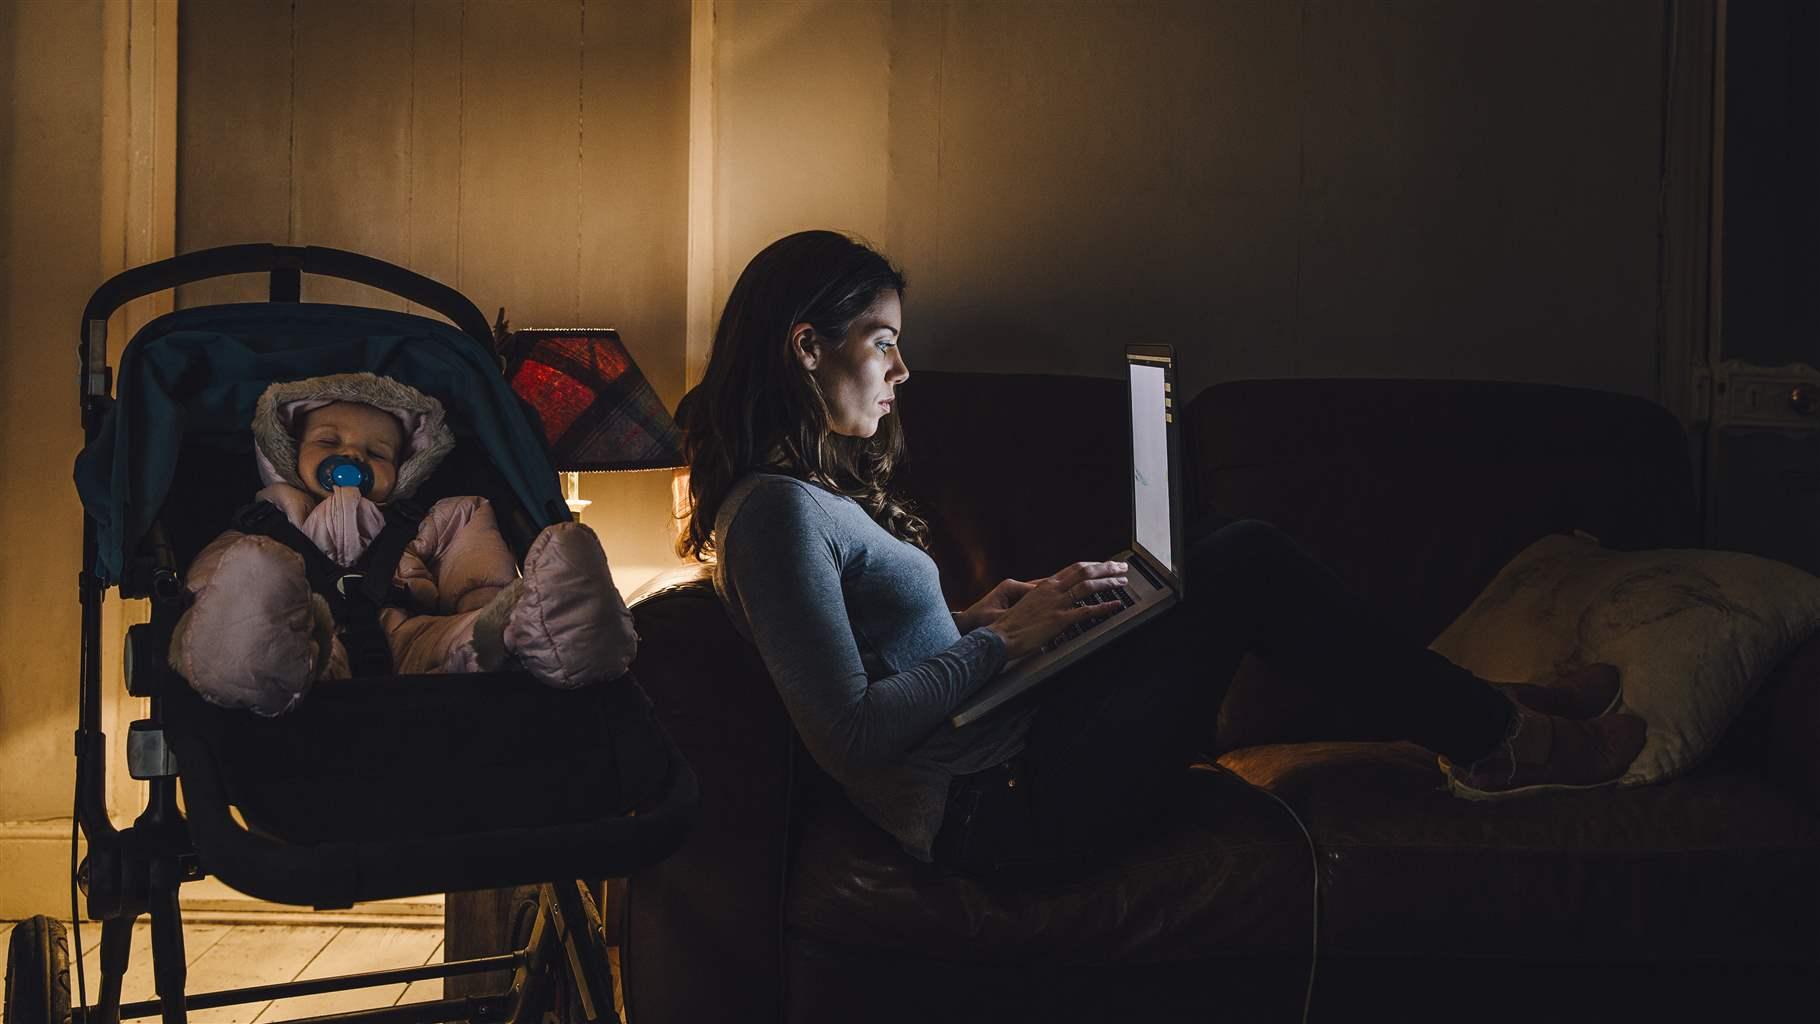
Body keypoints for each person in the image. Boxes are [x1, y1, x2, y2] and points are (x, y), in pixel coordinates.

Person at [677, 230, 1647, 877]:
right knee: (1243, 564)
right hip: (1001, 812)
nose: (899, 369)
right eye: (881, 342)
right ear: (806, 347)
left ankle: (1491, 713)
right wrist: (1006, 644)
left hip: (1012, 755)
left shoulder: (801, 499)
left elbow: (872, 653)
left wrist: (996, 611)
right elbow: (847, 730)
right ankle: (1502, 738)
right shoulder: (771, 517)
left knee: (1207, 571)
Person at [170, 372, 637, 716]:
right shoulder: (269, 518)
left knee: (478, 634)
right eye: (329, 441)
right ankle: (247, 654)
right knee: (255, 584)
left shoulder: (435, 517)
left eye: (376, 453)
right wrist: (215, 594)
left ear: (406, 468)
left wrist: (486, 609)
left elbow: (474, 568)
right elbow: (216, 572)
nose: (352, 455)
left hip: (412, 633)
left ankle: (554, 628)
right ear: (290, 453)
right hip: (310, 636)